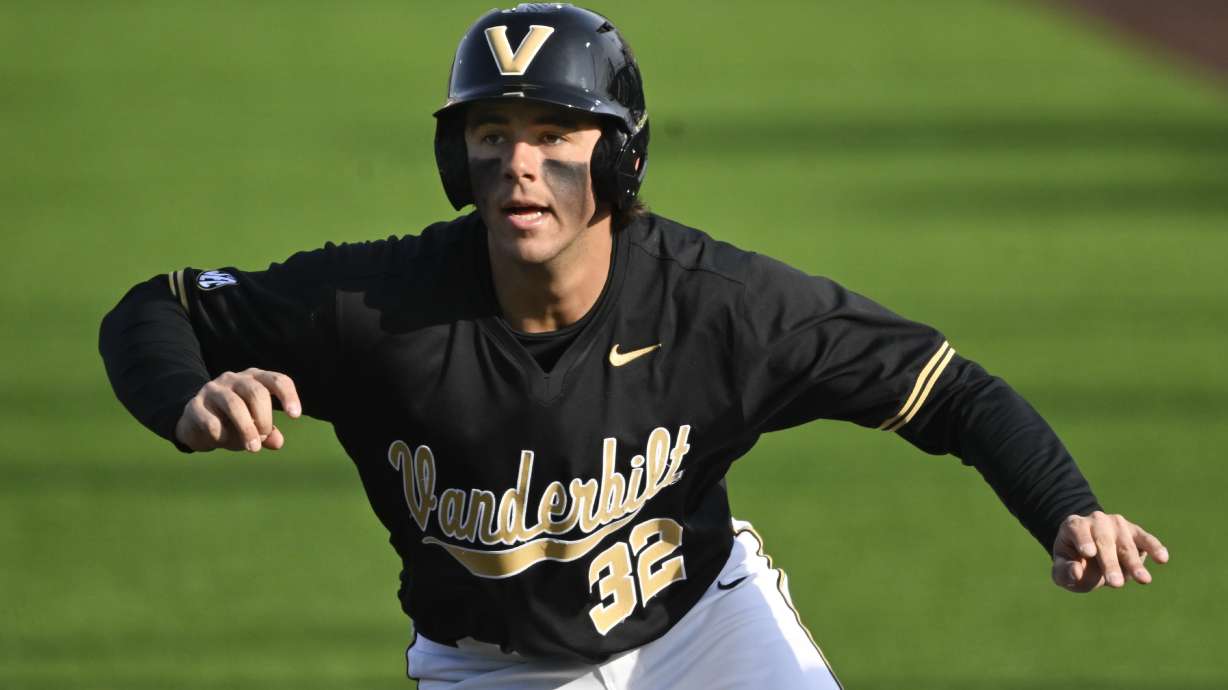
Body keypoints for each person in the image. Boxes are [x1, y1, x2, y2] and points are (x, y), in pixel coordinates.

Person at [99, 4, 1169, 689]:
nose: (518, 163)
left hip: (703, 632)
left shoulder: (720, 305)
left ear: (617, 160)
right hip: (493, 671)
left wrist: (1066, 506)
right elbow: (156, 307)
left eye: (553, 135)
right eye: (491, 134)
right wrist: (186, 399)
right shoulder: (373, 305)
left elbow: (949, 392)